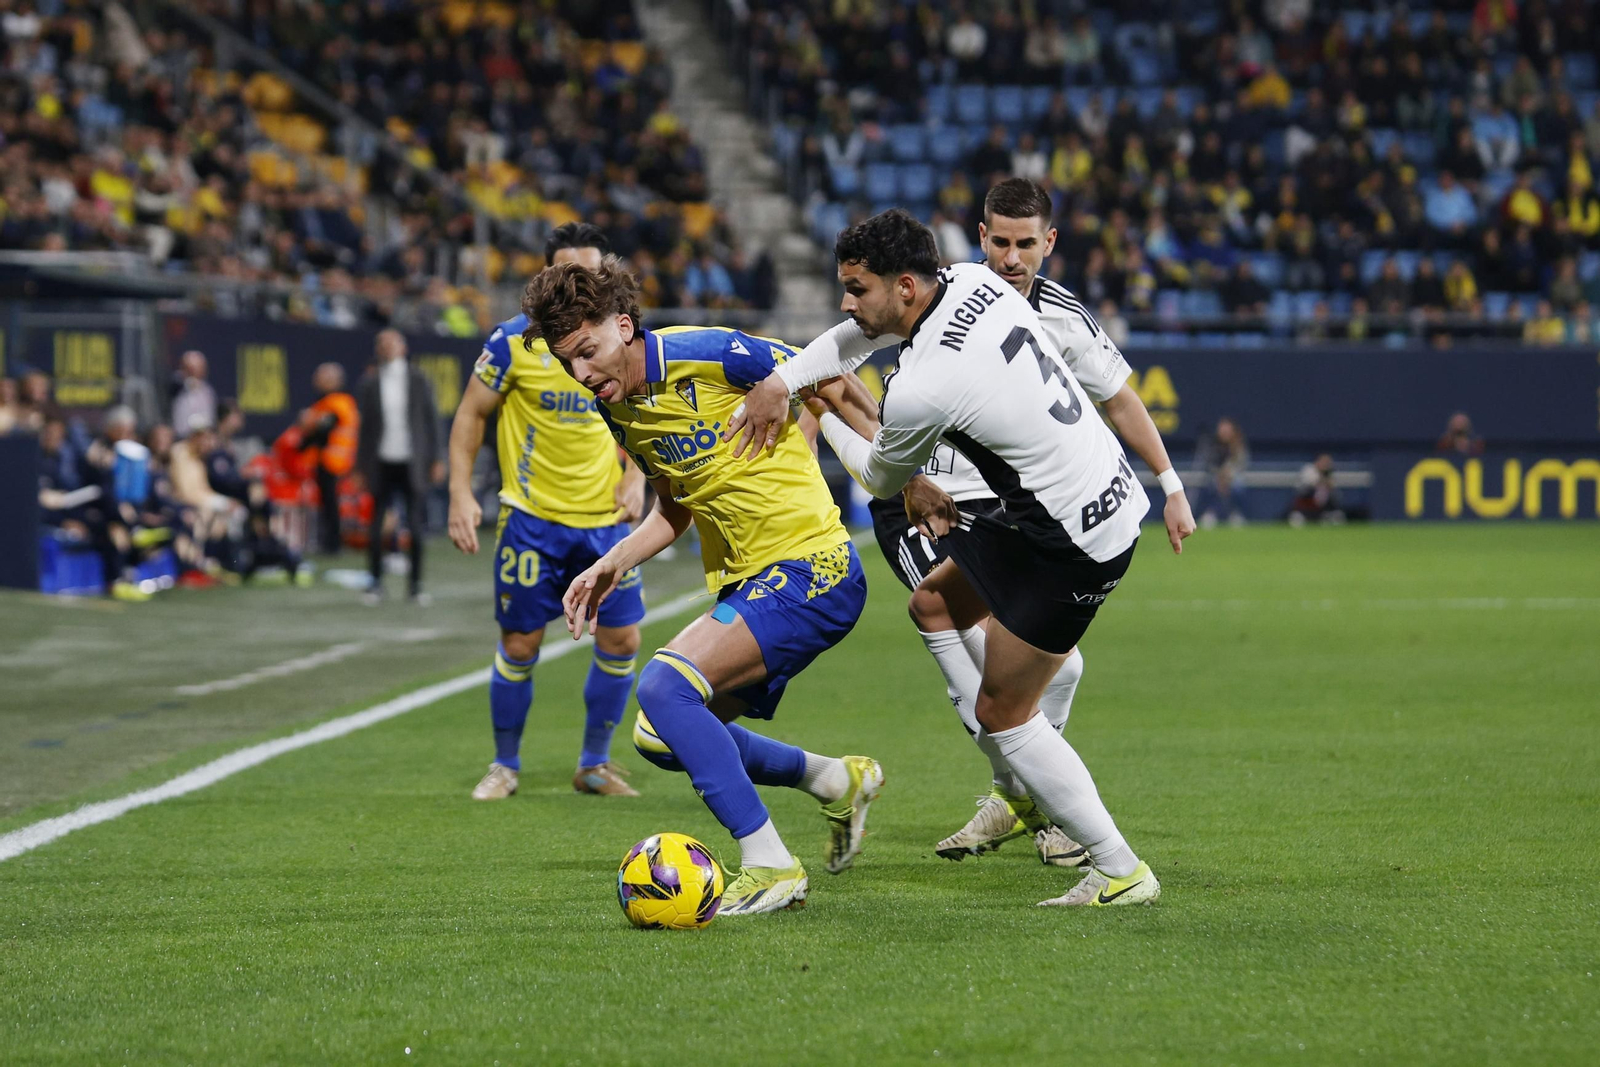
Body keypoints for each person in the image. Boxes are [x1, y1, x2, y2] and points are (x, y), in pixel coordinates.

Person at [732, 209, 1164, 907]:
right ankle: (1033, 758)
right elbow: (850, 339)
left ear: (904, 287)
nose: (846, 303)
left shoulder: (923, 384)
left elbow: (877, 477)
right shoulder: (970, 279)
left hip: (1074, 541)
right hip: (1078, 492)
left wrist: (818, 409)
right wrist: (787, 381)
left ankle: (1116, 865)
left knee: (1003, 710)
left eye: (856, 287)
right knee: (932, 600)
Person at [523, 256, 884, 917]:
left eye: (589, 351)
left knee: (663, 686)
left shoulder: (710, 352)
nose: (582, 373)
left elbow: (827, 377)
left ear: (624, 326)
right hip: (752, 581)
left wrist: (902, 472)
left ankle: (771, 862)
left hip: (813, 565)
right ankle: (835, 776)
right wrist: (612, 561)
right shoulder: (621, 410)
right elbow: (675, 508)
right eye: (568, 362)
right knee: (660, 734)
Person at [447, 223, 650, 800]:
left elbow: (644, 414)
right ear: (546, 277)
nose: (581, 284)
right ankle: (505, 765)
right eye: (569, 272)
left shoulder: (615, 340)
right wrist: (461, 494)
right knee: (520, 644)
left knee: (622, 641)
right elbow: (469, 416)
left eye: (591, 273)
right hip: (532, 521)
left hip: (607, 524)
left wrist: (636, 478)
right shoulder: (512, 343)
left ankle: (593, 763)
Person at [356, 330, 442, 604]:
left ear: (403, 347)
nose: (387, 347)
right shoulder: (370, 382)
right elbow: (365, 429)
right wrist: (360, 466)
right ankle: (375, 582)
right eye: (382, 343)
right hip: (381, 461)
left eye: (392, 342)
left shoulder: (418, 379)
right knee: (376, 525)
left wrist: (437, 458)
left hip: (412, 461)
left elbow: (432, 421)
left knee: (415, 526)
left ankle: (415, 585)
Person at [306, 363, 359, 554]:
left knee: (331, 504)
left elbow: (324, 428)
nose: (316, 381)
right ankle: (330, 540)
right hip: (331, 460)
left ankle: (333, 543)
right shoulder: (328, 402)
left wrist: (306, 434)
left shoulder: (337, 402)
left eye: (321, 377)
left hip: (334, 461)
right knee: (327, 504)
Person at [1194, 417, 1250, 527]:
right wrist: (1220, 476)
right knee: (1211, 485)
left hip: (1232, 478)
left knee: (1237, 486)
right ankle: (1211, 513)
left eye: (1227, 429)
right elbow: (1210, 464)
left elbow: (1241, 464)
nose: (1224, 432)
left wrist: (1227, 475)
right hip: (1216, 477)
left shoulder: (1238, 445)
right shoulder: (1213, 444)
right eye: (1222, 429)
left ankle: (1235, 514)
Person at [169, 350, 217, 437]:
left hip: (202, 438)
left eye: (200, 367)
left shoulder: (207, 390)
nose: (196, 372)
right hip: (180, 437)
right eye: (191, 368)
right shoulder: (175, 385)